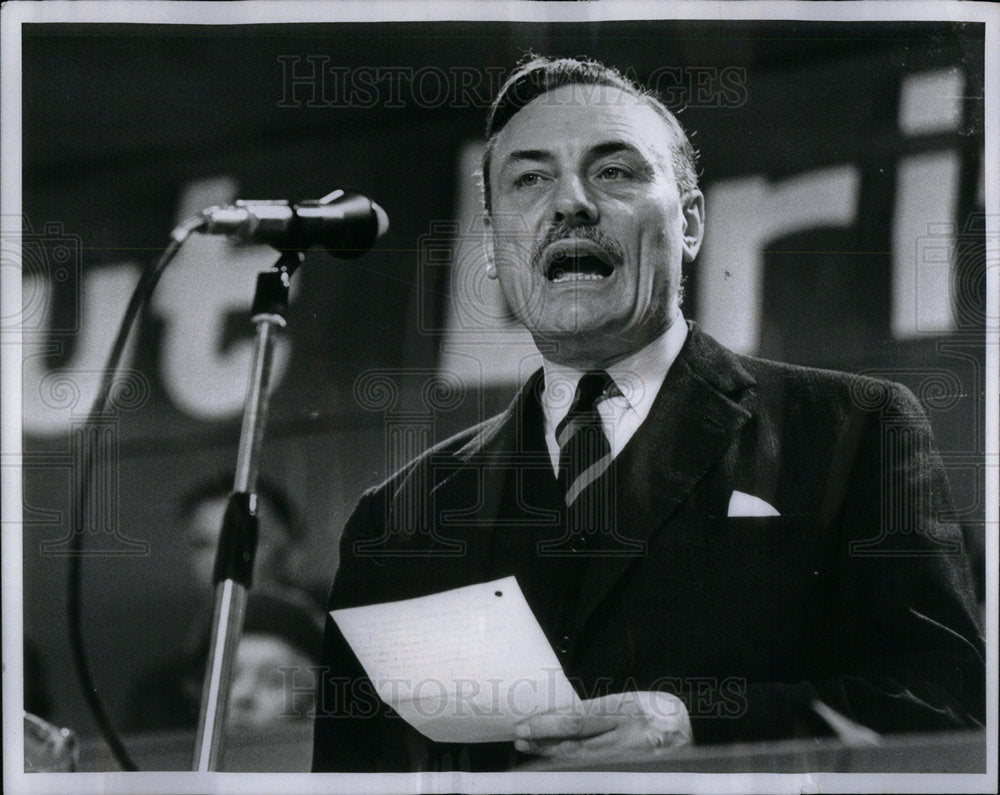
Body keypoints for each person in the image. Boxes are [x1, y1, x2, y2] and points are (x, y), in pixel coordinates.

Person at [312, 56, 985, 772]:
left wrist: (699, 726)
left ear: (691, 222)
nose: (569, 202)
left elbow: (947, 700)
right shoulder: (399, 517)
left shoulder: (853, 429)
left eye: (615, 172)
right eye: (530, 179)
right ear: (492, 245)